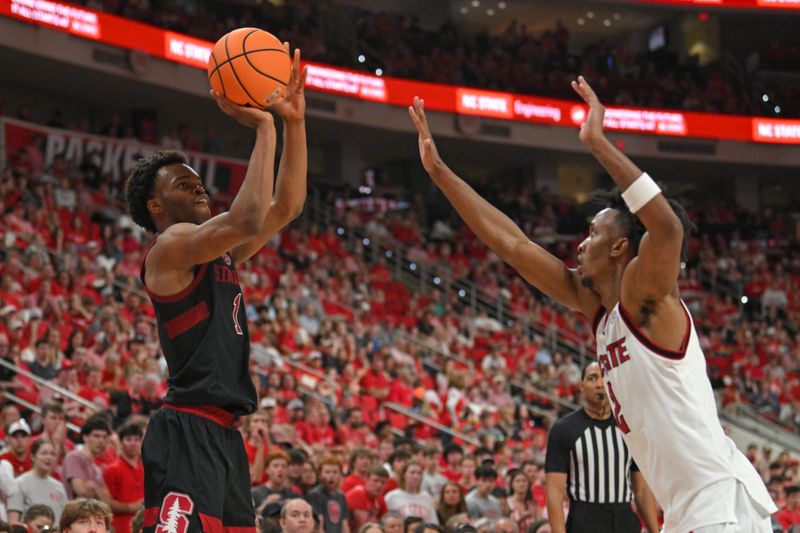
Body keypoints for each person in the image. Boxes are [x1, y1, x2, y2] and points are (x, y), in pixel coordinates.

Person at [408, 78, 776, 532]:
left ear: (621, 247)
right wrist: (440, 172)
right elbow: (513, 245)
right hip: (686, 509)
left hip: (720, 502)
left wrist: (598, 143)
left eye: (594, 234)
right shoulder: (597, 308)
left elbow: (668, 230)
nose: (581, 244)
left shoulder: (645, 296)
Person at [125, 45, 308, 533]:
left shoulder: (215, 252)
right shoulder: (170, 247)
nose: (199, 188)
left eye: (198, 180)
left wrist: (293, 121)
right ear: (156, 207)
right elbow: (249, 215)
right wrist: (264, 127)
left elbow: (286, 206)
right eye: (183, 185)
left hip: (225, 435)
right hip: (187, 429)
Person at [544, 363, 658, 533]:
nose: (599, 383)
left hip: (625, 518)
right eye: (592, 378)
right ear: (581, 386)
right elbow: (555, 493)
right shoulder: (563, 429)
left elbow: (641, 490)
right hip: (585, 519)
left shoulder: (630, 427)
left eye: (605, 377)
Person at [7, 440, 68, 523]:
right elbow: (13, 522)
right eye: (44, 453)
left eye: (52, 454)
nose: (48, 458)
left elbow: (65, 519)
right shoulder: (19, 483)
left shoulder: (59, 486)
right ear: (32, 456)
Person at [102, 423, 144, 533]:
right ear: (121, 443)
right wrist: (130, 507)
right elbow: (106, 502)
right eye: (128, 439)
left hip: (142, 526)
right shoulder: (112, 469)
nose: (133, 443)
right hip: (120, 527)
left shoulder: (145, 469)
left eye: (136, 439)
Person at [61, 417, 110, 500]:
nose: (101, 441)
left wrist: (92, 487)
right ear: (85, 437)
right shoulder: (74, 457)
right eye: (96, 436)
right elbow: (81, 490)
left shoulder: (96, 468)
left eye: (104, 437)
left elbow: (107, 499)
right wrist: (97, 490)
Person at [306, 456, 350, 533]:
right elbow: (319, 525)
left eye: (335, 472)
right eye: (327, 472)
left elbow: (344, 525)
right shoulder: (315, 494)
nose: (331, 476)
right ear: (320, 475)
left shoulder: (341, 496)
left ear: (340, 475)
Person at [253, 450, 303, 517]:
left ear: (287, 470)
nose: (280, 469)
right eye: (275, 466)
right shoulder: (255, 493)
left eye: (283, 466)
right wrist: (266, 503)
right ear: (267, 470)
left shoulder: (294, 495)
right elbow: (251, 517)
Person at [347, 466, 389, 531]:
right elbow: (363, 527)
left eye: (383, 482)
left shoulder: (380, 499)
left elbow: (387, 523)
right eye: (375, 480)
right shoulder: (358, 494)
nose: (379, 485)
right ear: (366, 479)